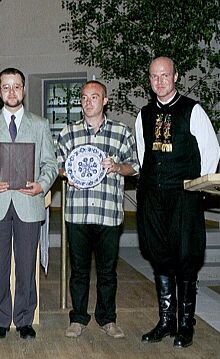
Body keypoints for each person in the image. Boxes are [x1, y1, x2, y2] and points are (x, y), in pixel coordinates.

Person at [135, 57, 220, 348]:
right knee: (159, 258)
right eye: (154, 76)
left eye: (165, 75)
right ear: (150, 79)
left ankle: (185, 325)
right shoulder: (143, 114)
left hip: (184, 198)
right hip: (153, 199)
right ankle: (166, 321)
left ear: (176, 76)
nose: (160, 81)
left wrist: (197, 190)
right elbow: (142, 156)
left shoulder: (192, 110)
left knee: (185, 258)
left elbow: (211, 152)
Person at [0, 68, 57, 340]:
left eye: (16, 86)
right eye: (6, 87)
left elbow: (50, 163)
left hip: (29, 203)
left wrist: (42, 184)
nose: (11, 92)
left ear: (23, 90)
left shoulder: (40, 124)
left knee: (26, 265)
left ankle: (24, 319)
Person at [57, 80, 139, 339]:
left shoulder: (121, 132)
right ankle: (78, 318)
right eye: (84, 97)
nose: (88, 101)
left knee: (107, 272)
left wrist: (116, 167)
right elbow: (57, 167)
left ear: (105, 100)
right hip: (77, 213)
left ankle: (108, 319)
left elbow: (135, 166)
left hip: (108, 213)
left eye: (94, 97)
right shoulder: (68, 133)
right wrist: (66, 173)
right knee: (78, 270)